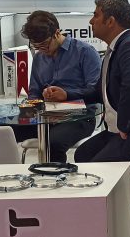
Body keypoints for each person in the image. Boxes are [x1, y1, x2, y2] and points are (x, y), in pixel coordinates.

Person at [44, 0, 130, 163]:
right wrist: (67, 94)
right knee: (83, 155)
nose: (91, 21)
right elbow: (99, 92)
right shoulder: (116, 48)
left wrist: (124, 126)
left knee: (97, 167)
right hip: (124, 129)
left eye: (96, 15)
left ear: (110, 21)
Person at [11, 11, 101, 163]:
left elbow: (95, 91)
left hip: (79, 117)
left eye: (44, 45)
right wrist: (32, 106)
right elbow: (34, 92)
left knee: (53, 143)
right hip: (45, 116)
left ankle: (55, 176)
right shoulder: (39, 57)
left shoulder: (85, 52)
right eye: (36, 46)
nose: (41, 50)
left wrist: (67, 94)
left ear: (57, 33)